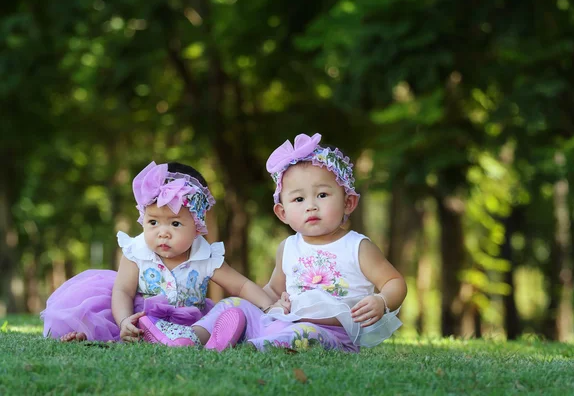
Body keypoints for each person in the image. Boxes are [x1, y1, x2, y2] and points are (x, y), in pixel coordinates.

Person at [139, 133, 407, 352]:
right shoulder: (288, 248)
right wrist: (272, 304)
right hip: (283, 320)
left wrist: (382, 300)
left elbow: (395, 282)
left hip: (333, 333)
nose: (311, 206)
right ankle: (192, 337)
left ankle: (254, 347)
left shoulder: (357, 246)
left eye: (323, 195)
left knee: (305, 333)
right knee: (234, 304)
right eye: (298, 200)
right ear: (283, 212)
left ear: (348, 201)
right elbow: (272, 291)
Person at [41, 161, 274, 344]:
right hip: (142, 318)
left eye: (174, 224)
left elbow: (240, 286)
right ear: (143, 218)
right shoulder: (137, 252)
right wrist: (123, 321)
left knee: (228, 310)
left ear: (197, 227)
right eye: (153, 222)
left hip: (189, 322)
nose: (163, 233)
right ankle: (89, 336)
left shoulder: (204, 257)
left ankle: (195, 339)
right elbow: (122, 291)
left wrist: (270, 307)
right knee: (117, 324)